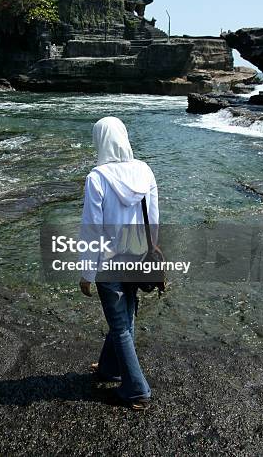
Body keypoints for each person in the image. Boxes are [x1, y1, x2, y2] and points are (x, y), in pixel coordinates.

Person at [79, 116, 159, 410]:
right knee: (126, 315)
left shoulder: (97, 178)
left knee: (120, 324)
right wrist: (153, 248)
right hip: (138, 256)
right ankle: (109, 369)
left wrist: (86, 272)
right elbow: (154, 216)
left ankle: (137, 390)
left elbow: (92, 228)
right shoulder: (144, 170)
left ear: (99, 140)